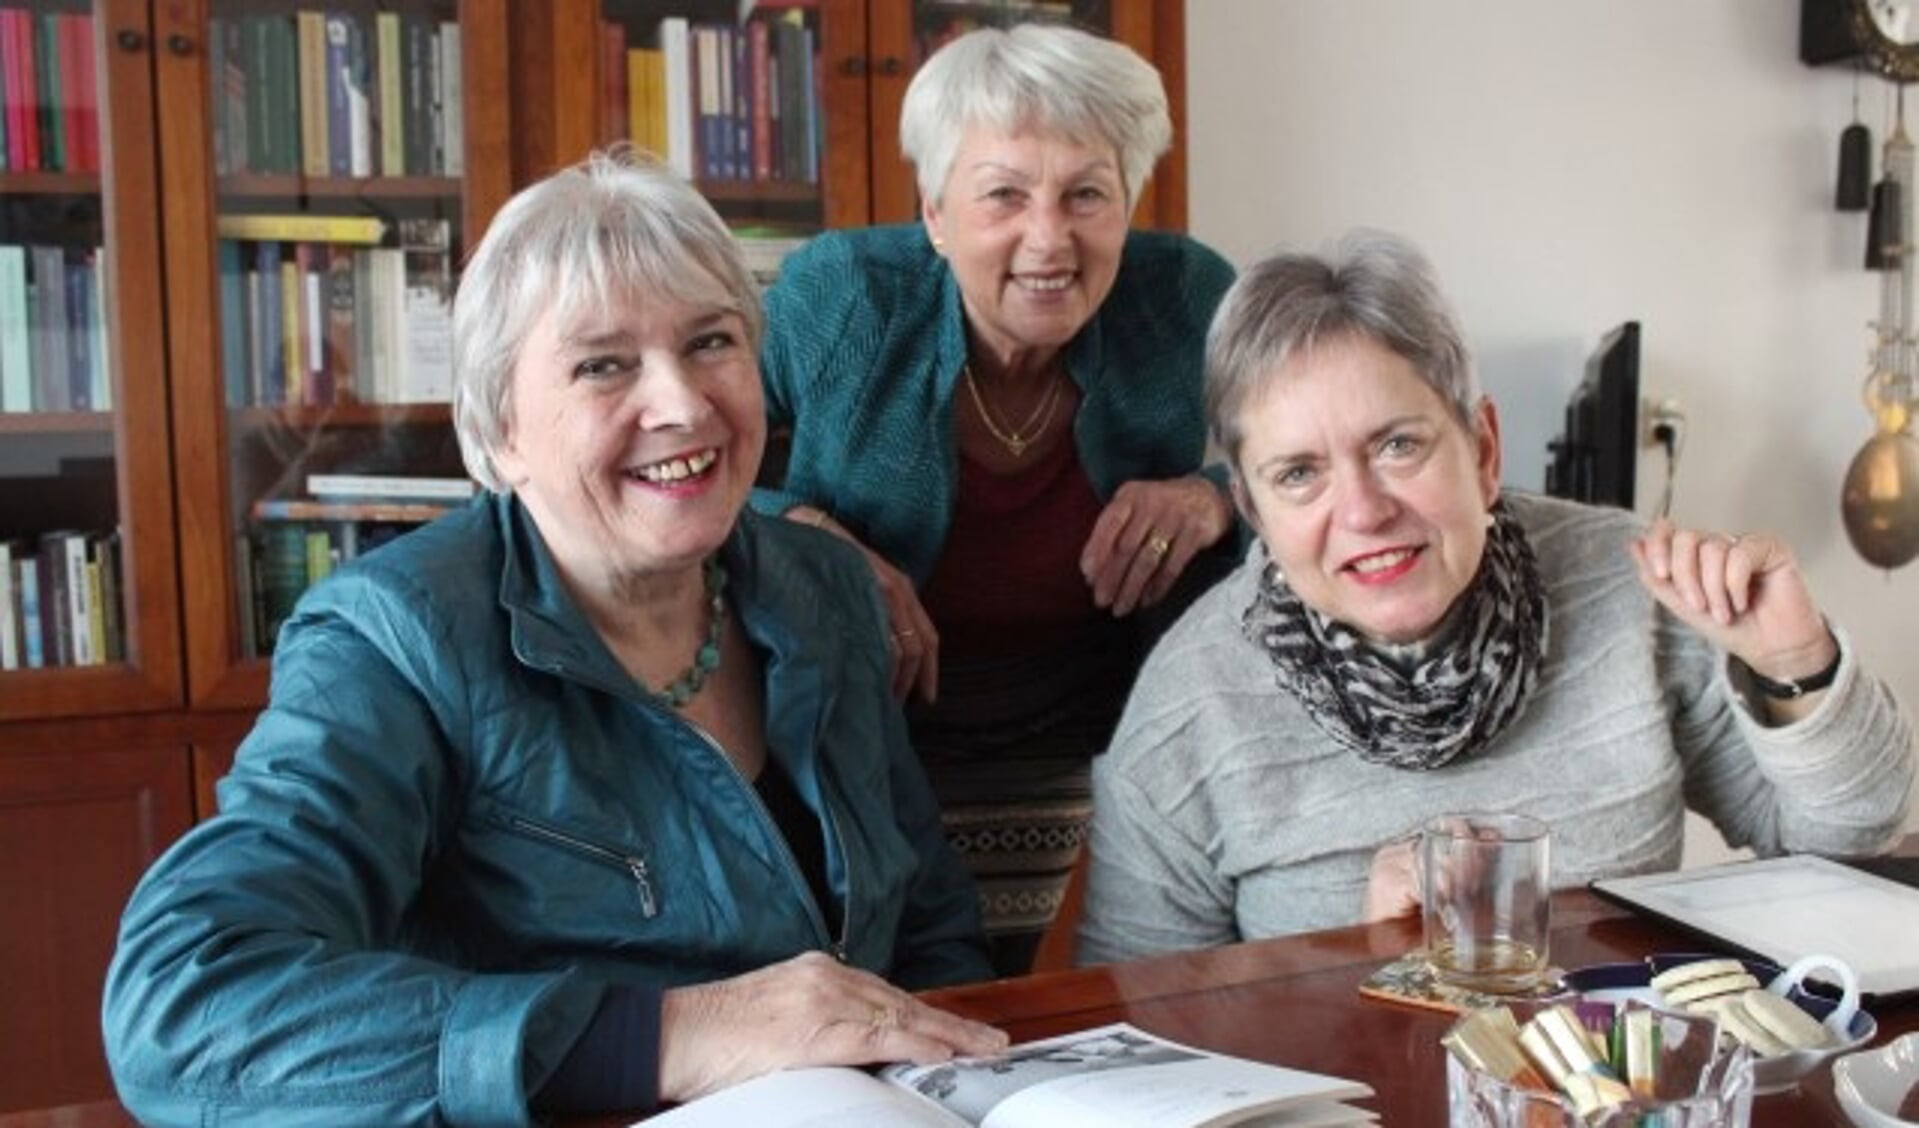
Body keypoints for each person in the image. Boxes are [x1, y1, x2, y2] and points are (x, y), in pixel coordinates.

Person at [100, 151, 1005, 1127]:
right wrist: (675, 1034)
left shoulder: (820, 585)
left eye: (710, 342)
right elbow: (182, 1008)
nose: (683, 404)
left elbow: (930, 924)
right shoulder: (395, 638)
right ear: (500, 431)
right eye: (602, 364)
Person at [1077, 230, 1917, 965]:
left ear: (1482, 450)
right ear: (1255, 512)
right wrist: (1346, 962)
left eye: (1398, 445)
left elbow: (1845, 851)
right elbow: (1139, 1028)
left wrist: (1795, 666)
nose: (1364, 512)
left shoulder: (1628, 587)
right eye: (1299, 474)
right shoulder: (1186, 711)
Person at [754, 23, 1239, 974]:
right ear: (935, 213)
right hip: (867, 722)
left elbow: (1308, 464)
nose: (1048, 238)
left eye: (1086, 194)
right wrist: (812, 533)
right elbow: (696, 467)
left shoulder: (1184, 296)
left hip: (1101, 723)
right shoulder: (841, 296)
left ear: (1127, 201)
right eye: (1004, 195)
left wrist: (1211, 495)